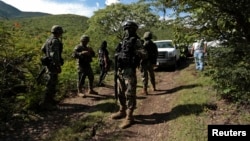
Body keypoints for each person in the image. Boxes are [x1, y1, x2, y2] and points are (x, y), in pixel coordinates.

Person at [111, 21, 147, 129]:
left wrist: (136, 52)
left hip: (129, 70)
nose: (127, 31)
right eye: (126, 29)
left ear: (134, 29)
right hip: (121, 70)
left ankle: (130, 117)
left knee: (130, 93)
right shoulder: (123, 41)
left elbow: (145, 54)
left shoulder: (136, 41)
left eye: (129, 29)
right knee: (120, 91)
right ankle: (122, 110)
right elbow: (117, 53)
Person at [40, 25, 64, 109]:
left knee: (51, 82)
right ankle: (46, 103)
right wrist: (58, 65)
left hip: (48, 63)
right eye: (60, 32)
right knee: (51, 83)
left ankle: (50, 100)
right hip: (53, 65)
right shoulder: (55, 41)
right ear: (58, 32)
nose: (61, 34)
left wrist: (47, 56)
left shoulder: (48, 40)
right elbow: (55, 55)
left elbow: (42, 48)